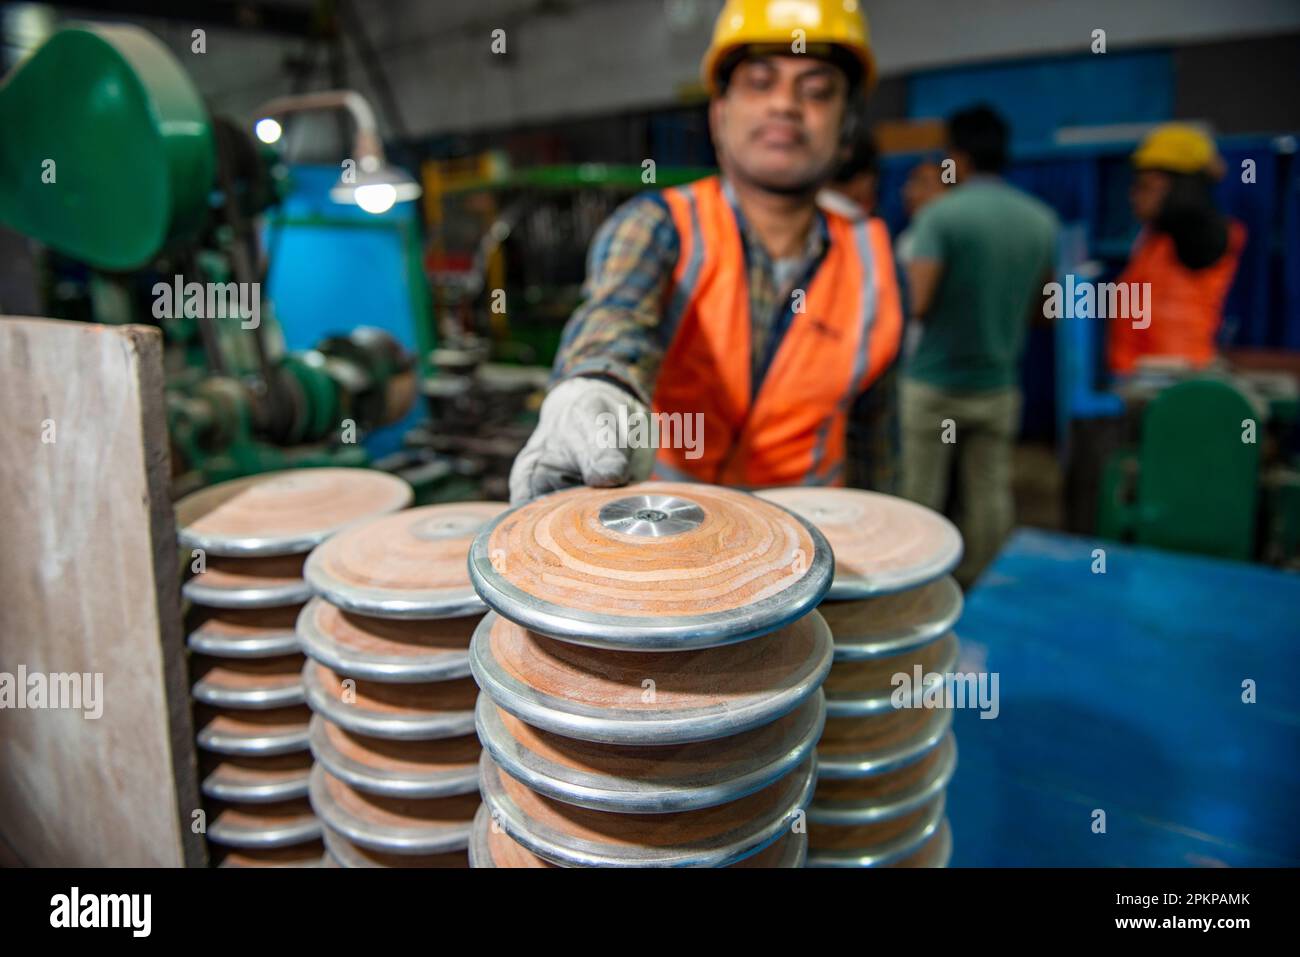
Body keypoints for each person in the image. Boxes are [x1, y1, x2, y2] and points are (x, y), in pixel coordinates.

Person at [509, 0, 902, 503]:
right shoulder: (659, 226)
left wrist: (886, 543)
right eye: (760, 83)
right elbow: (616, 313)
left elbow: (875, 436)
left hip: (811, 542)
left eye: (818, 91)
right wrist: (596, 383)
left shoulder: (873, 259)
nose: (785, 104)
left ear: (846, 128)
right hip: (671, 534)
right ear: (719, 116)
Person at [899, 104, 1059, 586]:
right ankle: (986, 589)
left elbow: (917, 305)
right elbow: (1046, 312)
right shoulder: (1041, 221)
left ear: (957, 157)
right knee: (989, 495)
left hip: (934, 384)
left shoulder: (940, 218)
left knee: (920, 497)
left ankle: (915, 590)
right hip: (997, 384)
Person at [1108, 123, 1245, 375]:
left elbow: (1197, 227)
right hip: (1140, 380)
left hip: (1177, 385)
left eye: (1145, 185)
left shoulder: (1204, 234)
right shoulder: (1154, 240)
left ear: (1180, 188)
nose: (1133, 195)